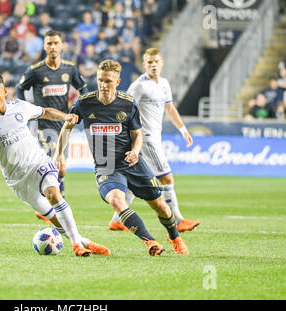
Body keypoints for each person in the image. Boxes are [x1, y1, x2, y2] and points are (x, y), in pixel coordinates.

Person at [0, 73, 110, 257]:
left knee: (53, 194)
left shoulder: (20, 107)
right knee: (54, 218)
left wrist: (66, 117)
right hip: (17, 180)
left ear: (5, 91)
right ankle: (83, 241)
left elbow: (45, 112)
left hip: (38, 162)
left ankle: (76, 246)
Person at [54, 60, 189, 256]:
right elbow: (67, 128)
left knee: (159, 205)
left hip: (133, 163)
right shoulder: (84, 103)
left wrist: (135, 151)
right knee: (116, 200)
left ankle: (175, 237)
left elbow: (138, 135)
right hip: (106, 167)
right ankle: (150, 241)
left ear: (117, 82)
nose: (103, 85)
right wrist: (59, 154)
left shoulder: (127, 103)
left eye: (108, 81)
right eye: (100, 80)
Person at [108, 48, 200, 233]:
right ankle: (177, 220)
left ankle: (117, 219)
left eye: (156, 61)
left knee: (137, 179)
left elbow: (170, 108)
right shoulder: (139, 85)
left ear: (161, 63)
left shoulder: (164, 84)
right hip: (146, 138)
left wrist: (183, 129)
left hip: (154, 137)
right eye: (149, 62)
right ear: (144, 65)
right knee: (166, 177)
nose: (153, 65)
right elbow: (124, 107)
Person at [15, 30, 88, 223]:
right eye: (49, 43)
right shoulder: (36, 70)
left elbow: (84, 88)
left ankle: (52, 201)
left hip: (64, 124)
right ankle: (53, 204)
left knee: (62, 168)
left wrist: (80, 108)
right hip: (44, 125)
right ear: (44, 46)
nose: (53, 47)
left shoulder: (70, 69)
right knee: (56, 164)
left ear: (62, 45)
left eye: (56, 43)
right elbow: (19, 88)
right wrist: (27, 111)